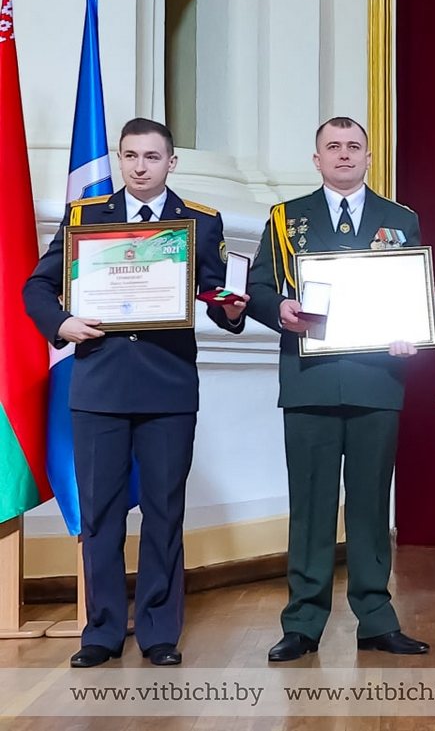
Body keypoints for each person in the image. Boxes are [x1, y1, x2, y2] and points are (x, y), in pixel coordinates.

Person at [23, 118, 247, 667]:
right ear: (121, 160)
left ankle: (158, 631)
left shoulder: (199, 221)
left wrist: (232, 308)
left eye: (152, 156)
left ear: (172, 162)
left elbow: (218, 292)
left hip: (168, 388)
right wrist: (62, 323)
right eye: (131, 156)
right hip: (99, 387)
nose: (140, 166)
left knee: (165, 512)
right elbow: (37, 286)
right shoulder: (86, 218)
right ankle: (100, 631)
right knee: (101, 514)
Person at [246, 116, 428, 661]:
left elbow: (411, 293)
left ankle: (376, 618)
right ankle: (303, 623)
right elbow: (257, 286)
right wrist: (278, 307)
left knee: (372, 506)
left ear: (369, 157)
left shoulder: (400, 219)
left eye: (354, 147)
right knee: (311, 506)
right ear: (317, 158)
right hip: (309, 382)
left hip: (377, 380)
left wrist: (410, 333)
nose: (344, 155)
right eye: (333, 147)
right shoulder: (286, 219)